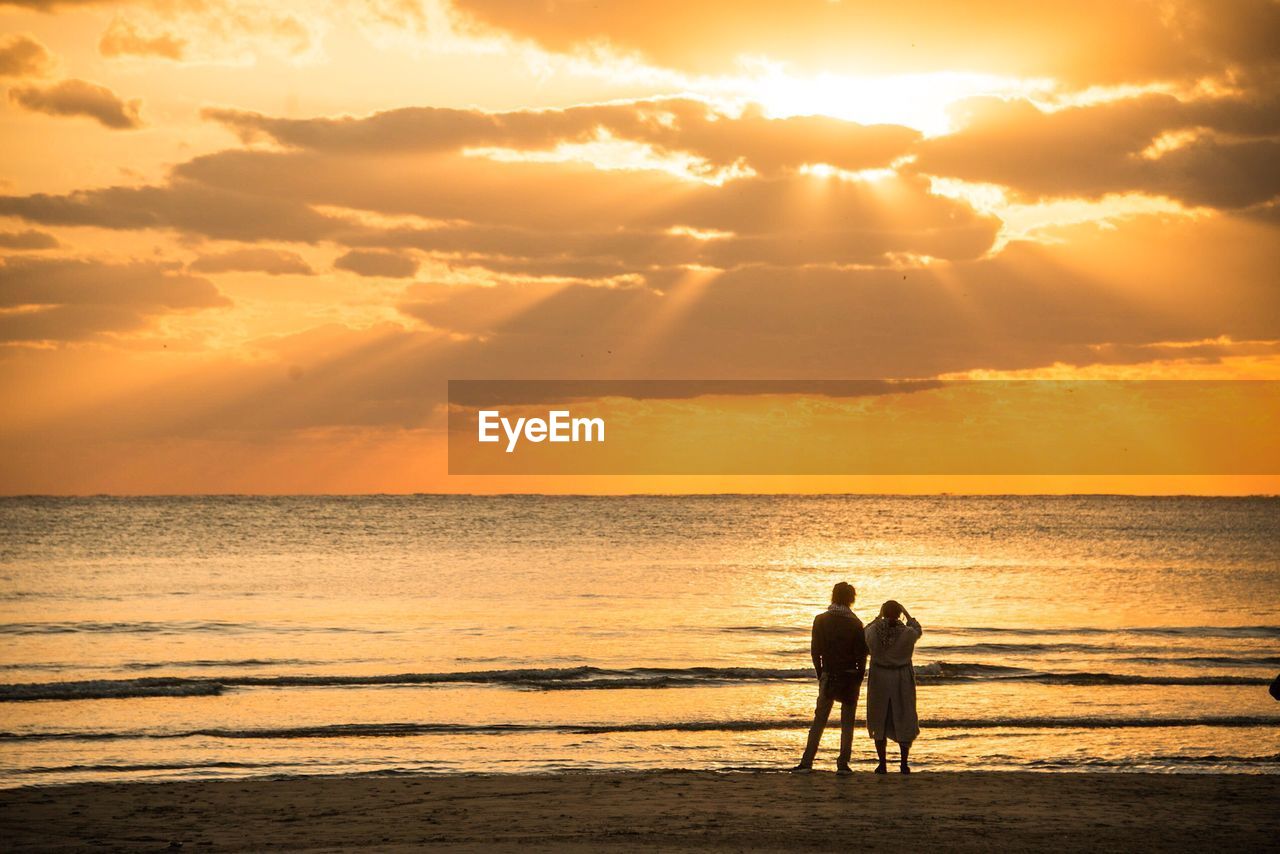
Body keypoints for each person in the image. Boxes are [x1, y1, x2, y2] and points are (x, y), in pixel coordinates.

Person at [792, 581, 868, 775]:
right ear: (851, 599)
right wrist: (860, 674)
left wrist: (820, 672)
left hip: (830, 674)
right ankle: (843, 763)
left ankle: (807, 761)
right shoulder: (855, 623)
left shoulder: (821, 619)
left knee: (819, 720)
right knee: (847, 722)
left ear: (833, 596)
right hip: (850, 674)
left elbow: (815, 650)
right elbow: (861, 653)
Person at [865, 600, 922, 774]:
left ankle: (882, 763)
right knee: (904, 716)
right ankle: (903, 763)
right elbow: (918, 629)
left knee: (879, 718)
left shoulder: (874, 631)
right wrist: (907, 612)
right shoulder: (907, 632)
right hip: (901, 678)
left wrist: (878, 617)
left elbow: (864, 631)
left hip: (880, 678)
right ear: (899, 614)